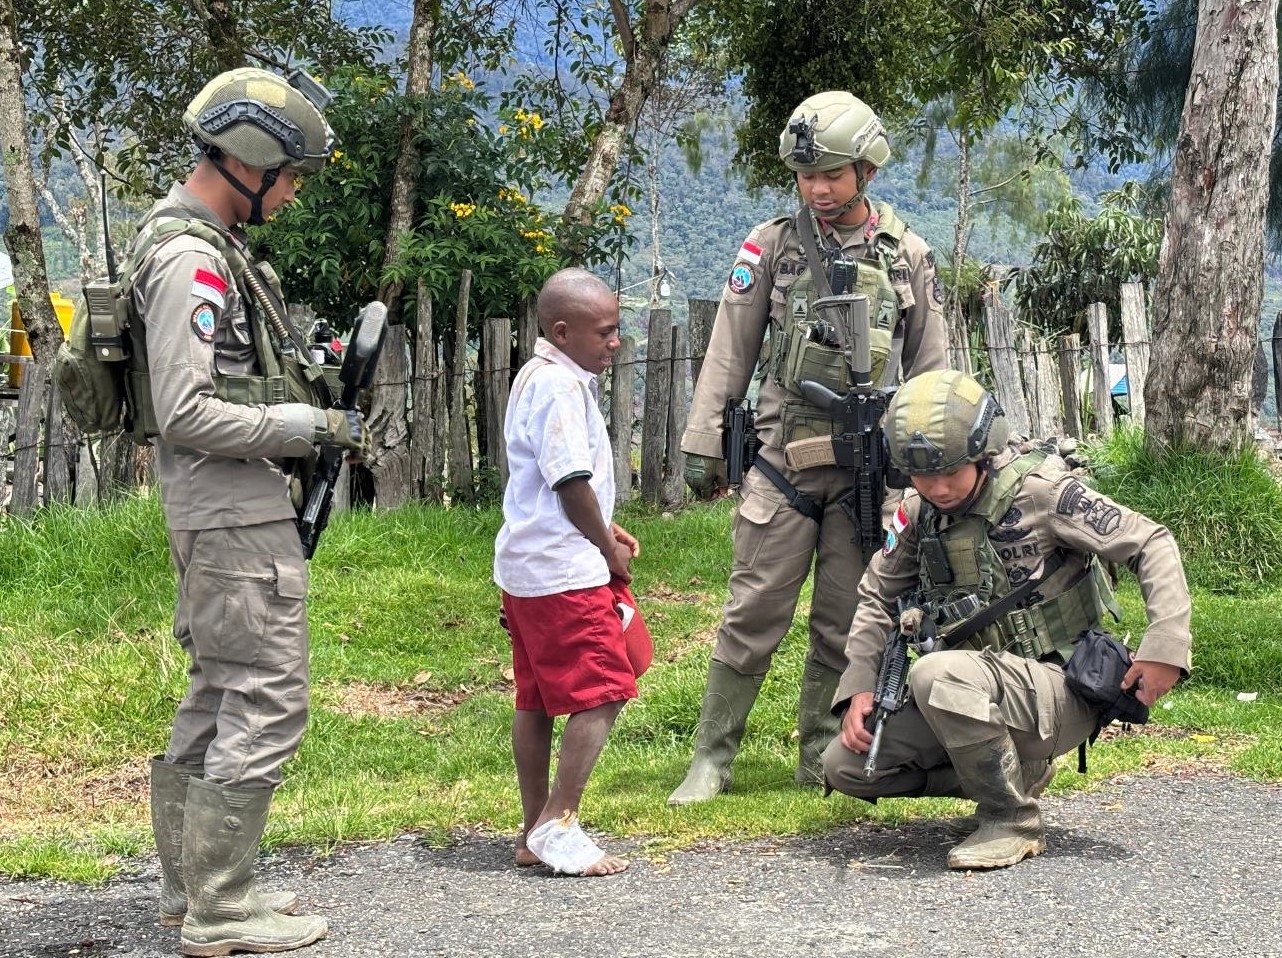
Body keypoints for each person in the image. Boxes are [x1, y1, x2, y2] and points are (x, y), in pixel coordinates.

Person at [138, 68, 364, 954]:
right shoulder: (192, 258)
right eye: (293, 174)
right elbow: (185, 409)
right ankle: (223, 909)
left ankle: (188, 893)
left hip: (222, 505)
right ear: (253, 162)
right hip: (230, 508)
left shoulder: (204, 243)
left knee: (218, 688)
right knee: (265, 696)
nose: (295, 191)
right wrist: (305, 423)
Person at [669, 91, 949, 805]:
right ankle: (711, 757)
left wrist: (929, 472)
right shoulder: (771, 247)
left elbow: (933, 374)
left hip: (869, 475)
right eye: (806, 176)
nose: (817, 189)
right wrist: (703, 442)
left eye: (831, 174)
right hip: (782, 463)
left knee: (845, 619)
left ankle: (822, 753)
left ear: (866, 171)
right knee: (753, 612)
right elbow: (729, 350)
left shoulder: (909, 257)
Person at [822, 369, 1192, 869]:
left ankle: (1010, 817)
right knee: (846, 766)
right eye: (922, 475)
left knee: (933, 673)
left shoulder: (1042, 492)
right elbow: (875, 597)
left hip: (1060, 688)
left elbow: (1150, 541)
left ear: (981, 453)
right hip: (970, 694)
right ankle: (1005, 775)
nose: (938, 487)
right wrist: (860, 686)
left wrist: (1165, 645)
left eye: (950, 471)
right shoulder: (919, 512)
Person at [494, 267, 649, 876]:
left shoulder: (540, 375)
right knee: (608, 684)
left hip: (529, 566)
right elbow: (568, 480)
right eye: (606, 332)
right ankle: (559, 822)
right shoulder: (558, 387)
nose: (616, 343)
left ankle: (534, 829)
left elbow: (544, 479)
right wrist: (604, 548)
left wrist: (603, 526)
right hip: (564, 574)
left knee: (535, 699)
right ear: (563, 331)